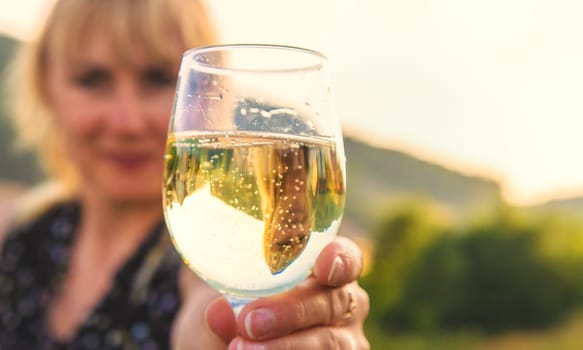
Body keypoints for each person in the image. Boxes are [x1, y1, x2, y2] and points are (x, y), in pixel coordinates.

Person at [0, 0, 370, 349]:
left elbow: (211, 309)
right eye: (93, 79)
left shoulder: (219, 251)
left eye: (159, 79)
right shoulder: (19, 236)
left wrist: (234, 326)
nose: (127, 121)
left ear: (211, 94)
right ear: (46, 86)